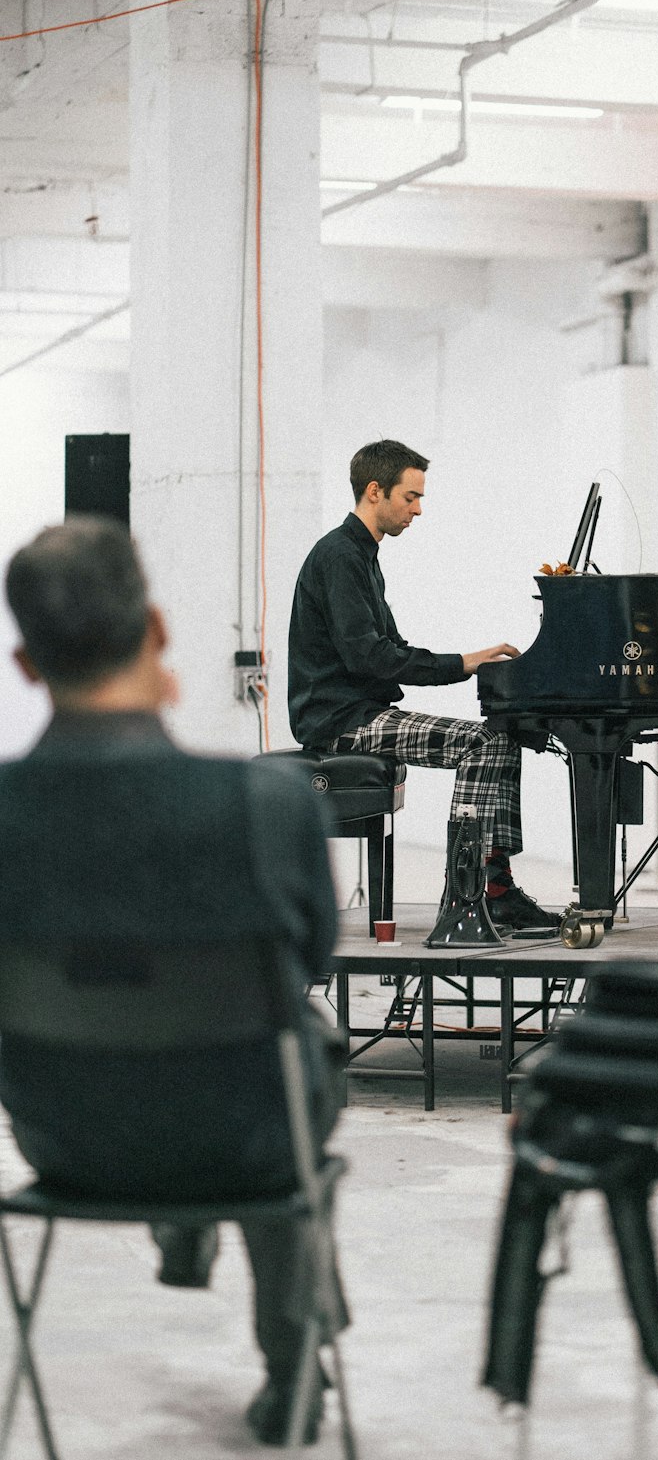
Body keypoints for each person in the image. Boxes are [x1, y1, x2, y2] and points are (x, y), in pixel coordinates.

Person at [0, 517, 345, 1446]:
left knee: (262, 1062)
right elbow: (312, 960)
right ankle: (294, 1355)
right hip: (245, 1141)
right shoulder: (268, 803)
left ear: (27, 665)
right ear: (156, 628)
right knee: (294, 1051)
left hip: (67, 1142)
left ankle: (183, 1232)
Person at [287, 437, 559, 931]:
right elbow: (370, 657)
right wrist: (464, 663)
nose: (418, 510)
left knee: (500, 737)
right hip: (342, 722)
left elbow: (388, 648)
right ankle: (464, 895)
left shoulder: (362, 556)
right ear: (376, 492)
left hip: (363, 714)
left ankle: (495, 888)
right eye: (411, 497)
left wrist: (465, 662)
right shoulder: (339, 557)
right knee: (481, 742)